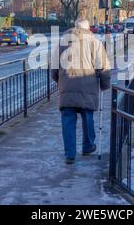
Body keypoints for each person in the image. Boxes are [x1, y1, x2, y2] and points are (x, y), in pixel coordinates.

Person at [51, 18, 111, 165]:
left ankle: (70, 154)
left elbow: (53, 66)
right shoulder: (95, 43)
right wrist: (105, 84)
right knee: (87, 116)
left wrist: (59, 80)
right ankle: (88, 146)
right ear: (88, 28)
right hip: (87, 87)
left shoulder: (63, 42)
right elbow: (104, 67)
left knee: (68, 120)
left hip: (67, 87)